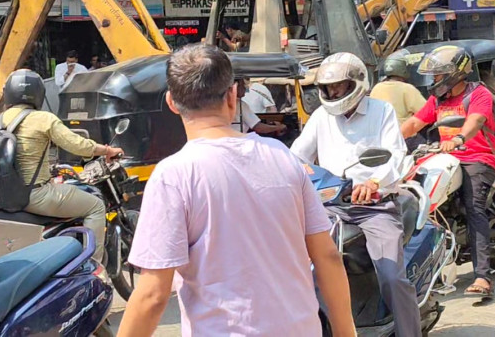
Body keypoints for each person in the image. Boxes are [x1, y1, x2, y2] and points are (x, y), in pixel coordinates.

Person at [120, 45, 355, 337]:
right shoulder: (282, 156)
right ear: (232, 96)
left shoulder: (173, 175)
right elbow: (327, 257)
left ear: (171, 102)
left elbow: (153, 294)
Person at [291, 53, 421, 335]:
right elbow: (297, 156)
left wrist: (373, 183)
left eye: (339, 86)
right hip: (329, 207)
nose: (334, 93)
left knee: (391, 277)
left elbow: (394, 155)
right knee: (303, 269)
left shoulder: (381, 111)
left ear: (357, 83)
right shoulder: (321, 117)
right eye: (329, 88)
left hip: (375, 208)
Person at [400, 46, 495, 299]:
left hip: (478, 157)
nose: (434, 80)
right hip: (445, 159)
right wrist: (389, 139)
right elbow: (415, 123)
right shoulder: (438, 100)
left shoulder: (479, 94)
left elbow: (476, 121)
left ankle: (482, 277)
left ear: (455, 74)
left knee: (474, 208)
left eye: (438, 75)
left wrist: (458, 139)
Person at [0, 69, 122, 261]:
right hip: (36, 195)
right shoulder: (43, 118)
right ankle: (94, 266)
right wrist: (107, 150)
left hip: (4, 197)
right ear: (38, 93)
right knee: (96, 206)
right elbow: (78, 145)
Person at [370, 56, 427, 152]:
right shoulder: (407, 88)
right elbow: (426, 111)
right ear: (403, 70)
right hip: (404, 137)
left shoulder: (377, 88)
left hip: (380, 136)